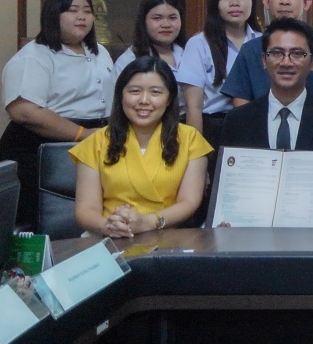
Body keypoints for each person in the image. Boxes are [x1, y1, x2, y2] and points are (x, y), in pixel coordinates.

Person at [220, 18, 313, 226]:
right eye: (277, 53)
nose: (286, 62)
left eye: (297, 54)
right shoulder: (238, 121)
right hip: (250, 238)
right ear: (264, 60)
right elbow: (226, 189)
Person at [0, 0, 114, 226]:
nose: (82, 17)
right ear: (53, 14)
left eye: (87, 11)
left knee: (88, 218)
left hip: (95, 140)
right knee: (42, 222)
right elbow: (24, 111)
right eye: (72, 10)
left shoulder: (99, 52)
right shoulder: (35, 55)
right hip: (40, 147)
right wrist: (82, 134)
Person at [71, 56, 212, 238]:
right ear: (121, 95)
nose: (144, 100)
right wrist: (109, 226)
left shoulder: (191, 139)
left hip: (169, 236)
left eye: (155, 92)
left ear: (169, 99)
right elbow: (85, 210)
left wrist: (147, 223)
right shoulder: (96, 142)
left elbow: (189, 202)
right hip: (108, 237)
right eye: (135, 91)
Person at [221, 0, 313, 106]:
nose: (285, 1)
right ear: (266, 2)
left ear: (306, 3)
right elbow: (241, 105)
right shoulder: (250, 50)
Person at [177, 0, 261, 143]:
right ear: (214, 3)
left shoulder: (264, 42)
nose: (235, 3)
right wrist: (196, 153)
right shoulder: (199, 44)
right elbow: (194, 108)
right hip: (214, 130)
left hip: (258, 128)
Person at [112, 0, 188, 108]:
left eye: (172, 18)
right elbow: (114, 106)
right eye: (157, 18)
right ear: (144, 21)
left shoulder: (189, 54)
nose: (166, 24)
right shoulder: (130, 60)